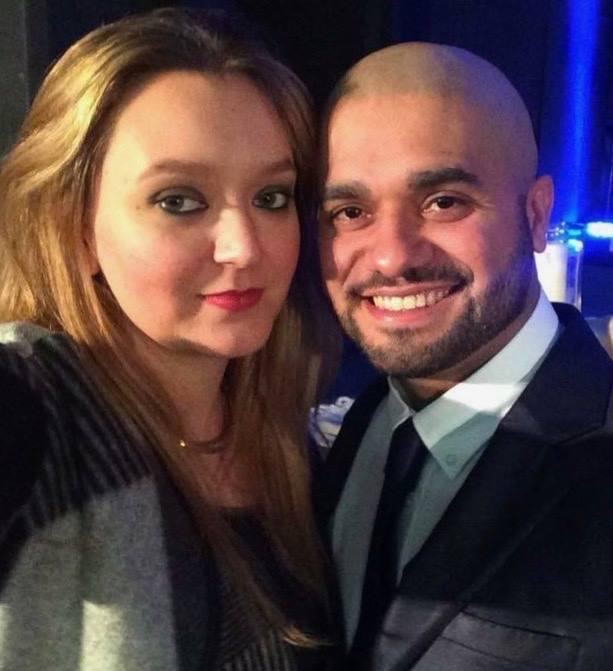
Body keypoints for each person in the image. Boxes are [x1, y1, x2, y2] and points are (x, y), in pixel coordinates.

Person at [0, 8, 336, 671]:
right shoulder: (41, 406)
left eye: (271, 197)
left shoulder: (291, 444)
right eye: (178, 200)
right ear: (75, 230)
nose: (244, 248)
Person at [316, 42, 613, 670]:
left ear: (536, 215)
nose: (392, 256)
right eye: (351, 211)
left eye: (443, 202)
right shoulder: (369, 419)